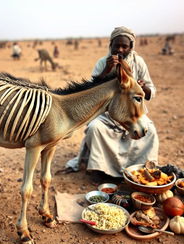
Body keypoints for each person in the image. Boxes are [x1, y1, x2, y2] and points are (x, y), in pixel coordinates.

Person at [64, 26, 159, 185]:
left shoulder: (138, 62)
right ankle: (101, 171)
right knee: (95, 128)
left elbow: (152, 90)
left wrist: (143, 88)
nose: (120, 49)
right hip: (107, 115)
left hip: (132, 113)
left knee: (150, 132)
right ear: (111, 45)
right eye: (117, 45)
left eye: (125, 46)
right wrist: (106, 71)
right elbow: (90, 91)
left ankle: (140, 169)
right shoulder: (103, 62)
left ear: (131, 47)